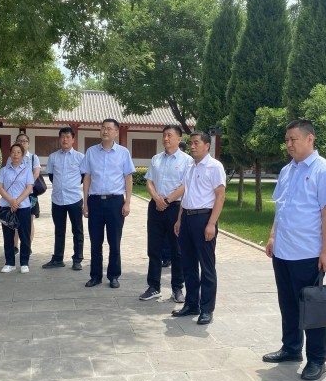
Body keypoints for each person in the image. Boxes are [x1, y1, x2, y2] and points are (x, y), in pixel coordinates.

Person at [262, 120, 326, 381]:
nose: (289, 144)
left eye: (293, 139)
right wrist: (273, 236)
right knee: (288, 304)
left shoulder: (322, 169)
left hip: (308, 252)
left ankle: (317, 359)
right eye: (287, 140)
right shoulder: (287, 170)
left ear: (309, 139)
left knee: (312, 308)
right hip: (283, 250)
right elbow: (280, 207)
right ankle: (291, 348)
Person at [171, 131, 226, 324]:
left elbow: (220, 196)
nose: (192, 146)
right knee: (188, 264)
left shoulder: (214, 166)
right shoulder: (190, 167)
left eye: (196, 143)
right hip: (187, 217)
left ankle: (207, 309)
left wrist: (211, 223)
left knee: (207, 266)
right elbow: (185, 195)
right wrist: (179, 219)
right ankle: (191, 304)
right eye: (191, 143)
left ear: (207, 145)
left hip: (204, 218)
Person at [140, 125, 193, 302]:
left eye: (169, 135)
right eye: (164, 135)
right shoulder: (156, 159)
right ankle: (153, 286)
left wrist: (167, 200)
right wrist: (157, 198)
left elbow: (185, 186)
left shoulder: (187, 161)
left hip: (175, 208)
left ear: (179, 139)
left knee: (177, 250)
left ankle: (177, 288)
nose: (166, 139)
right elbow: (149, 182)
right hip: (155, 207)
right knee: (154, 248)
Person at [81, 118, 136, 288]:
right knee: (95, 242)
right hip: (95, 201)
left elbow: (128, 178)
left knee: (114, 241)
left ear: (116, 132)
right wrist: (85, 203)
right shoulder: (91, 152)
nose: (105, 131)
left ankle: (113, 276)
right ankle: (95, 276)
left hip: (115, 202)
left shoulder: (123, 153)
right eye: (103, 128)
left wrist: (127, 202)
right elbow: (87, 177)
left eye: (109, 128)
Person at [42, 127, 85, 270]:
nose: (65, 139)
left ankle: (77, 260)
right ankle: (57, 259)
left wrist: (70, 186)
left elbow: (83, 177)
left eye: (68, 137)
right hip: (57, 199)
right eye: (62, 137)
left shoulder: (80, 157)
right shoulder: (53, 157)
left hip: (74, 199)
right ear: (59, 139)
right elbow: (52, 176)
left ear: (73, 139)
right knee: (59, 230)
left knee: (77, 230)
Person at [0, 143, 34, 273]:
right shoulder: (3, 170)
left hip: (23, 207)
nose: (16, 154)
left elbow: (29, 188)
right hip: (7, 207)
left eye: (18, 152)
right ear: (10, 154)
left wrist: (17, 201)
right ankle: (9, 263)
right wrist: (11, 201)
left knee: (24, 235)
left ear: (22, 155)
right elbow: (0, 187)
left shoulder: (27, 170)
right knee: (8, 236)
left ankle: (24, 263)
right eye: (13, 152)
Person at [7, 134, 41, 255]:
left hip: (29, 194)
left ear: (28, 144)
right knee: (14, 219)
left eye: (25, 141)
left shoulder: (33, 158)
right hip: (14, 195)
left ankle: (27, 246)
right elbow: (7, 174)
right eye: (19, 141)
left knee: (29, 220)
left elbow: (36, 173)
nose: (22, 143)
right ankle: (15, 245)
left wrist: (26, 187)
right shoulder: (11, 158)